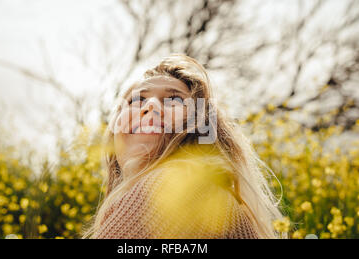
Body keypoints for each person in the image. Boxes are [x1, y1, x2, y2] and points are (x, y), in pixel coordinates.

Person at [81, 53, 285, 239]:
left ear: (199, 127)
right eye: (137, 99)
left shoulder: (162, 187)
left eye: (174, 99)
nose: (150, 105)